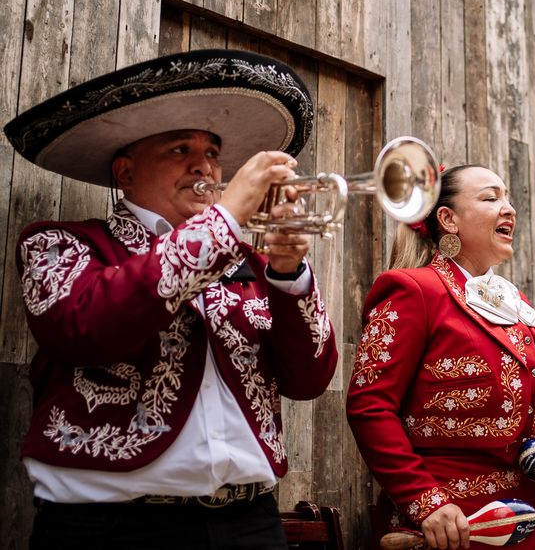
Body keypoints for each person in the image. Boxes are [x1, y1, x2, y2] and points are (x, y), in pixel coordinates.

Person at [3, 49, 338, 550]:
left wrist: (289, 273)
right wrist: (223, 219)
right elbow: (82, 329)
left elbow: (308, 380)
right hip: (111, 527)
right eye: (180, 149)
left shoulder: (251, 262)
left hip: (250, 522)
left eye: (212, 153)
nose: (204, 165)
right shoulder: (60, 243)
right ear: (126, 173)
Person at [346, 164, 535, 550]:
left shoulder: (512, 301)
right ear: (448, 219)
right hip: (444, 526)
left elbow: (529, 406)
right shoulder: (413, 290)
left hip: (523, 522)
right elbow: (369, 406)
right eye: (491, 198)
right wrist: (425, 501)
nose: (509, 209)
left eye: (507, 197)